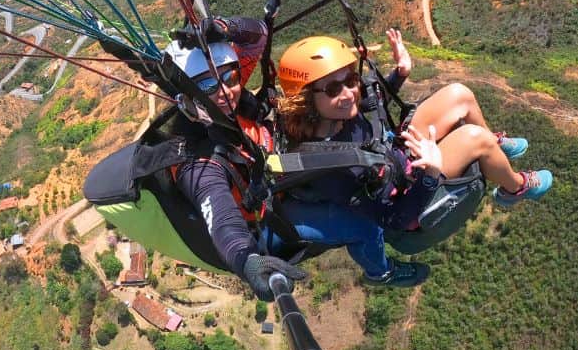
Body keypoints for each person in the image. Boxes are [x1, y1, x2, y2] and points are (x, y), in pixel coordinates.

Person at [168, 18, 427, 295]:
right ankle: (381, 272)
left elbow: (258, 37)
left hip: (288, 169)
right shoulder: (195, 160)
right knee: (365, 227)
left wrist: (223, 27)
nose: (224, 91)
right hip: (272, 213)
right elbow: (221, 218)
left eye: (230, 77)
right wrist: (246, 260)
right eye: (207, 85)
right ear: (188, 93)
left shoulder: (223, 94)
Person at [276, 31, 553, 227]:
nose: (349, 93)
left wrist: (400, 72)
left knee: (460, 94)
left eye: (350, 80)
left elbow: (373, 105)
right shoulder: (330, 166)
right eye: (334, 88)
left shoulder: (337, 113)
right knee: (474, 139)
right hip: (409, 186)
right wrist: (430, 174)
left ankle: (494, 148)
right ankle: (514, 187)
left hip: (397, 151)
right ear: (306, 100)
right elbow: (391, 219)